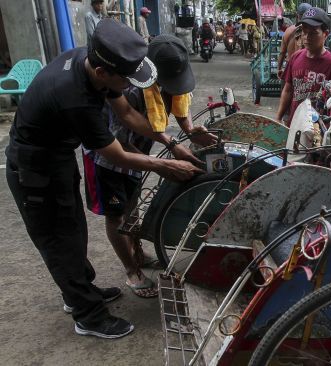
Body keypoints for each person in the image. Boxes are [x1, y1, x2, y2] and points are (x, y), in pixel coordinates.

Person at [5, 19, 203, 339]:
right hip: (34, 169)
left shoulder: (93, 60)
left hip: (57, 158)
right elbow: (116, 155)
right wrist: (163, 165)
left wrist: (171, 143)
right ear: (102, 74)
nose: (129, 86)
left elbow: (126, 114)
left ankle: (80, 291)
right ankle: (89, 316)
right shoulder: (75, 97)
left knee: (74, 230)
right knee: (59, 242)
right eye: (126, 80)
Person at [82, 34, 216, 299]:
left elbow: (181, 102)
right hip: (108, 157)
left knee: (132, 204)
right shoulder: (129, 90)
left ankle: (138, 253)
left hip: (138, 150)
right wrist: (161, 161)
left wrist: (189, 131)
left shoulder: (171, 85)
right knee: (116, 214)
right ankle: (132, 270)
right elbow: (117, 143)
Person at [276, 7, 331, 125]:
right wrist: (278, 117)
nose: (307, 37)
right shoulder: (295, 58)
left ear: (325, 34)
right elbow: (288, 90)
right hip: (294, 126)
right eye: (304, 31)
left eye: (313, 33)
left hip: (319, 132)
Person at [277, 3, 312, 79]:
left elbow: (282, 53)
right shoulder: (313, 32)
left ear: (297, 15)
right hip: (306, 70)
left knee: (286, 89)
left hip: (290, 68)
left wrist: (279, 69)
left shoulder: (288, 31)